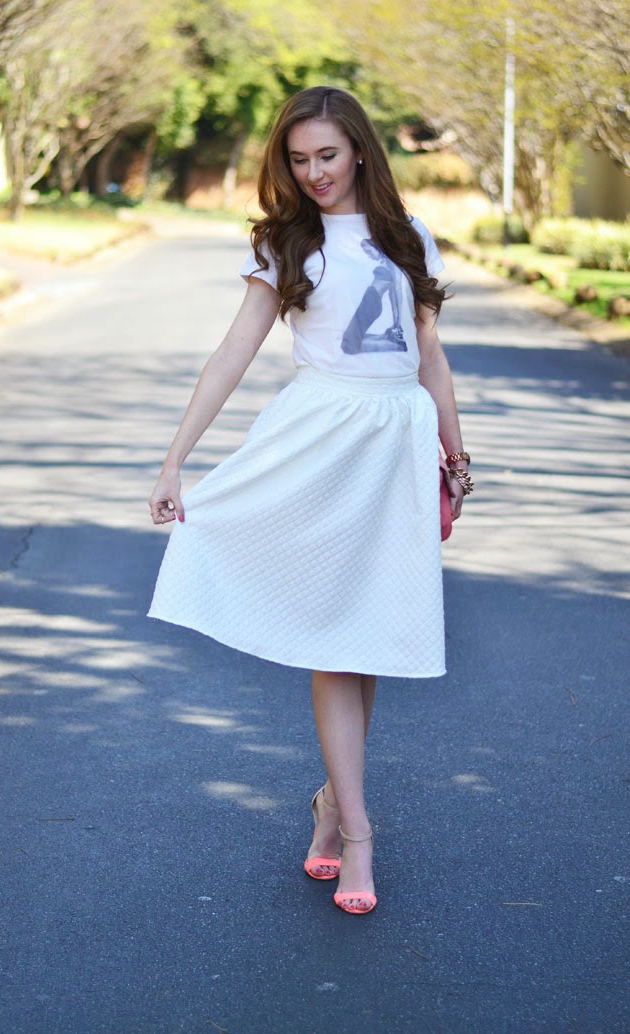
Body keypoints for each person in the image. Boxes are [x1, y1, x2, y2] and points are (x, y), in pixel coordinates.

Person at [148, 86, 472, 915]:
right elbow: (233, 351)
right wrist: (175, 461)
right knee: (337, 637)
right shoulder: (287, 242)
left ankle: (331, 802)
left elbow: (428, 354)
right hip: (321, 442)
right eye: (299, 160)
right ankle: (358, 832)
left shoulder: (409, 236)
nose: (315, 172)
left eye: (327, 154)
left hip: (396, 446)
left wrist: (454, 453)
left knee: (366, 635)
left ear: (359, 149)